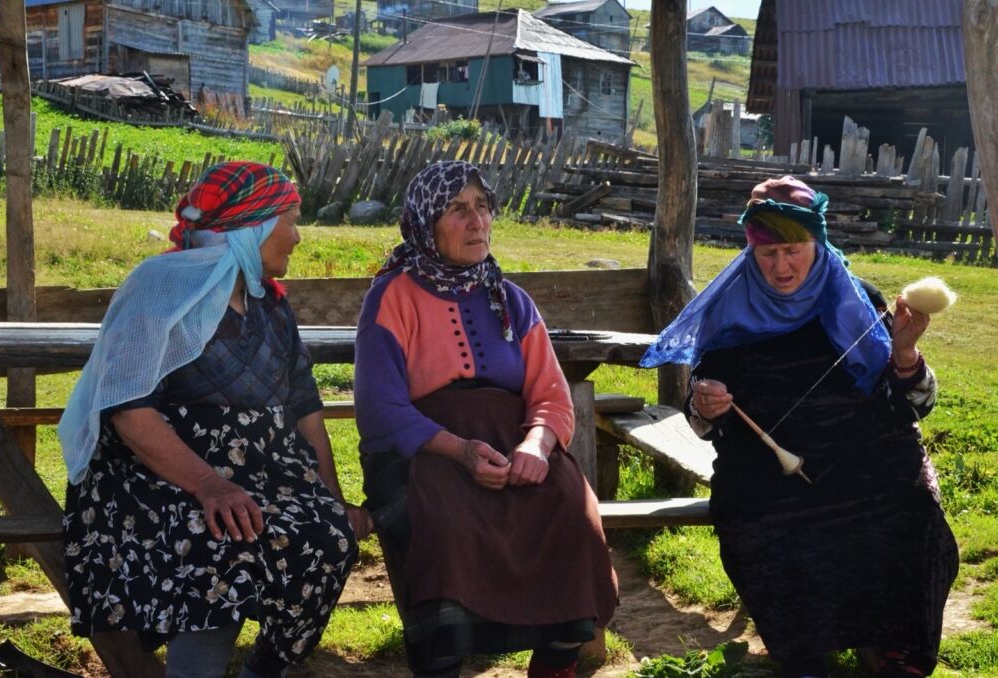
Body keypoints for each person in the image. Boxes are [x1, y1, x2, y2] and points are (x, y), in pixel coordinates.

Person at [59, 161, 372, 678]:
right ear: (252, 226)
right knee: (222, 539)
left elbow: (307, 411)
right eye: (291, 221)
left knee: (329, 537)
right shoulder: (158, 290)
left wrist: (333, 498)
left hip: (262, 476)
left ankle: (266, 669)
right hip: (156, 477)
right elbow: (130, 411)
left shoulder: (269, 305)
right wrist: (209, 486)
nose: (297, 237)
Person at [640, 176, 959, 677]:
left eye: (793, 250)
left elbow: (915, 405)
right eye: (767, 253)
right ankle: (805, 650)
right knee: (763, 525)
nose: (781, 266)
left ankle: (897, 646)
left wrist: (904, 353)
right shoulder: (729, 311)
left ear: (818, 242)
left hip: (869, 457)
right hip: (768, 469)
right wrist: (706, 404)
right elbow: (701, 421)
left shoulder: (858, 300)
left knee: (910, 506)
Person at [354, 160, 618, 678]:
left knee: (571, 509)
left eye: (482, 207)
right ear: (426, 223)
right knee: (446, 522)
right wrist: (460, 451)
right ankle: (444, 662)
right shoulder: (391, 298)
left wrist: (536, 447)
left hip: (514, 443)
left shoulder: (511, 300)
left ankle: (556, 662)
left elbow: (551, 395)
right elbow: (380, 409)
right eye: (457, 209)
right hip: (427, 449)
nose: (476, 221)